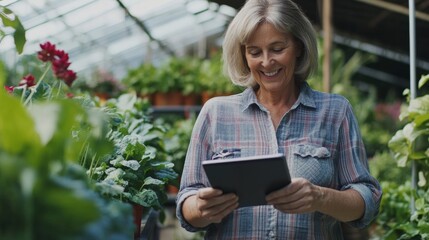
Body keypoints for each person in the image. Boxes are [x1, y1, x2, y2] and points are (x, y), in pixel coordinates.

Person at [175, 0, 382, 238]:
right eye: (254, 52)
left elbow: (367, 200)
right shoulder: (215, 113)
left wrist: (319, 197)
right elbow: (186, 201)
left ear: (299, 47)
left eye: (277, 48)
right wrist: (201, 207)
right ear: (244, 55)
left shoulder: (335, 111)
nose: (266, 61)